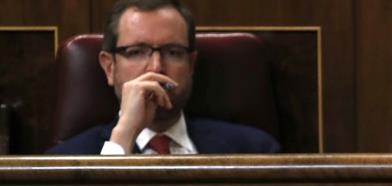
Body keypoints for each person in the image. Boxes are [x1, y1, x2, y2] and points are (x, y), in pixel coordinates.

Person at [48, 0, 280, 154]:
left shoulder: (256, 150)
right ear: (109, 67)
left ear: (191, 65)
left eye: (173, 52)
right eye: (136, 52)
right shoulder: (65, 161)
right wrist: (123, 137)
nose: (156, 67)